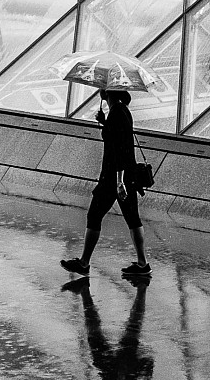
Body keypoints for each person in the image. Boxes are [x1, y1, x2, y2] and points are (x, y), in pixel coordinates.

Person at [61, 86, 150, 281]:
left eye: (101, 89)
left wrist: (119, 181)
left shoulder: (117, 113)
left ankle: (84, 263)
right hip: (123, 176)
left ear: (106, 93)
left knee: (95, 216)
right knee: (132, 218)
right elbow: (118, 140)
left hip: (114, 178)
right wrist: (104, 122)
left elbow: (119, 149)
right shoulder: (121, 110)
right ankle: (142, 264)